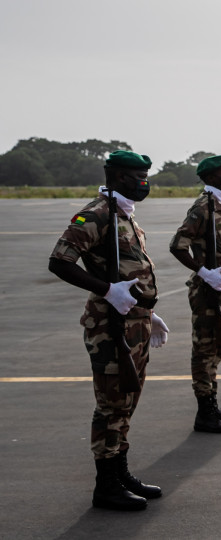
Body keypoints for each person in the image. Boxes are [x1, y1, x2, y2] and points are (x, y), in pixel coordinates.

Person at [48, 150, 168, 511]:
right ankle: (106, 486)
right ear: (117, 178)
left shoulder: (125, 216)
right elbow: (59, 261)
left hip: (134, 322)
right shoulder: (96, 214)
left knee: (127, 402)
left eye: (145, 175)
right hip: (108, 326)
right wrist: (106, 290)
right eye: (137, 176)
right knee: (111, 405)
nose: (143, 181)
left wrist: (148, 312)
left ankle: (120, 472)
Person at [169, 154, 221, 433]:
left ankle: (211, 405)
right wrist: (204, 272)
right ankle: (204, 412)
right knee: (204, 350)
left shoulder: (219, 206)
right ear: (210, 178)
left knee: (215, 349)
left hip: (220, 288)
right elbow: (178, 245)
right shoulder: (203, 207)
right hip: (207, 290)